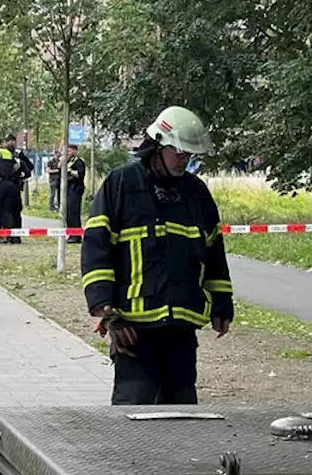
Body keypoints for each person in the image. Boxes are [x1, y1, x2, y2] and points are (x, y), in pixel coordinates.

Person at [81, 106, 234, 406]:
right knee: (135, 410)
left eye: (188, 153)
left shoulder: (196, 193)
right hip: (134, 328)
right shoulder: (120, 184)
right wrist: (103, 305)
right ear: (158, 145)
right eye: (178, 151)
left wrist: (222, 304)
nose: (183, 159)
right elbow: (96, 245)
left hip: (182, 325)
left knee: (181, 411)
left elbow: (214, 250)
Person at [0, 139, 22, 241]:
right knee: (8, 210)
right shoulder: (8, 153)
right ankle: (10, 235)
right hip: (10, 184)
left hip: (0, 184)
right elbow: (16, 166)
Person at [64, 143, 86, 244]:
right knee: (68, 212)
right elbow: (60, 168)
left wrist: (70, 171)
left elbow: (80, 174)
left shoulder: (79, 162)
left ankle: (76, 235)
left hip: (76, 189)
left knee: (73, 212)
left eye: (69, 151)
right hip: (68, 189)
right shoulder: (68, 161)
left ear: (74, 150)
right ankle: (71, 233)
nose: (68, 153)